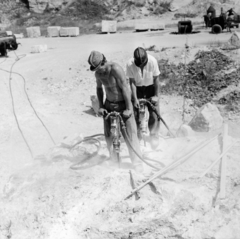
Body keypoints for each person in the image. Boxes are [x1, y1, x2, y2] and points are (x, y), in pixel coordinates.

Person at [88, 50, 143, 172]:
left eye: (98, 68)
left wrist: (129, 109)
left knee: (130, 135)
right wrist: (101, 106)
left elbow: (125, 88)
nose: (98, 71)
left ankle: (137, 162)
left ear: (103, 62)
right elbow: (99, 90)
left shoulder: (116, 69)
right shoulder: (98, 74)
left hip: (123, 104)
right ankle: (114, 161)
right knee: (109, 135)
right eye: (95, 69)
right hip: (109, 105)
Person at [126, 47, 161, 150]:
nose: (141, 66)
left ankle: (154, 135)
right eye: (139, 65)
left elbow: (156, 79)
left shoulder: (153, 61)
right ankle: (138, 137)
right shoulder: (129, 64)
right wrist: (135, 98)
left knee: (154, 113)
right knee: (136, 114)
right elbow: (132, 82)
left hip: (150, 88)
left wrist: (156, 96)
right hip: (138, 89)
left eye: (143, 64)